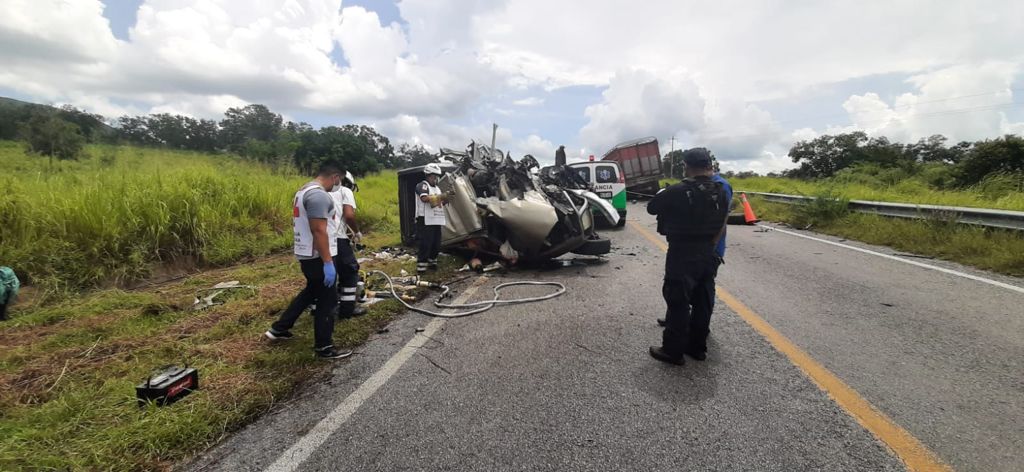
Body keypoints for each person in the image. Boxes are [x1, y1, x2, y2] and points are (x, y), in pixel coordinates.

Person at [646, 148, 729, 365]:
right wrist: (711, 246)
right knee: (702, 301)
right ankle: (697, 348)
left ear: (687, 166)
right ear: (709, 165)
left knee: (678, 301)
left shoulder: (677, 190)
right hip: (709, 252)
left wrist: (664, 193)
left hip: (682, 253)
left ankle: (673, 351)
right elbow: (723, 222)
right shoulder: (721, 190)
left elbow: (651, 209)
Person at [265, 162, 352, 359]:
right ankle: (324, 347)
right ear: (335, 176)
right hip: (318, 256)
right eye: (340, 181)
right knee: (327, 301)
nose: (338, 186)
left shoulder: (304, 190)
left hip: (307, 254)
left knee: (311, 290)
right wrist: (328, 262)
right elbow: (318, 230)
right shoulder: (319, 195)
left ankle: (279, 328)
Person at [329, 171, 365, 320]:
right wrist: (356, 232)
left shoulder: (321, 192)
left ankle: (319, 308)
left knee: (327, 275)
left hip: (320, 239)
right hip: (338, 239)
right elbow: (349, 215)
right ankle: (347, 309)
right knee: (350, 272)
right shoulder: (345, 191)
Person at [415, 163, 448, 274]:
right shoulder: (422, 185)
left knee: (436, 242)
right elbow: (424, 198)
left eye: (437, 176)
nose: (436, 179)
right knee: (425, 242)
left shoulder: (437, 189)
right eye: (434, 176)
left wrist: (446, 199)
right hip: (425, 219)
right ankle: (421, 266)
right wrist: (440, 197)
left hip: (436, 219)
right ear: (428, 175)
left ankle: (432, 261)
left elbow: (439, 201)